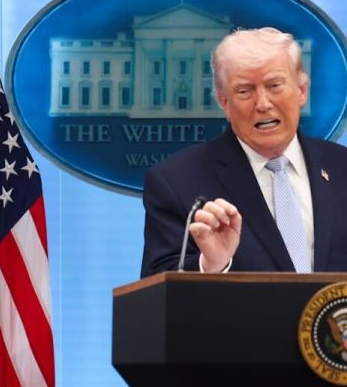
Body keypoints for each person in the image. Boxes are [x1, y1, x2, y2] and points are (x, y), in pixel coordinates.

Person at [141, 27, 347, 276]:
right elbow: (156, 290)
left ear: (302, 90)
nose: (262, 104)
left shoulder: (341, 167)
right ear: (224, 102)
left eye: (274, 85)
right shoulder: (176, 182)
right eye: (244, 91)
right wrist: (210, 266)